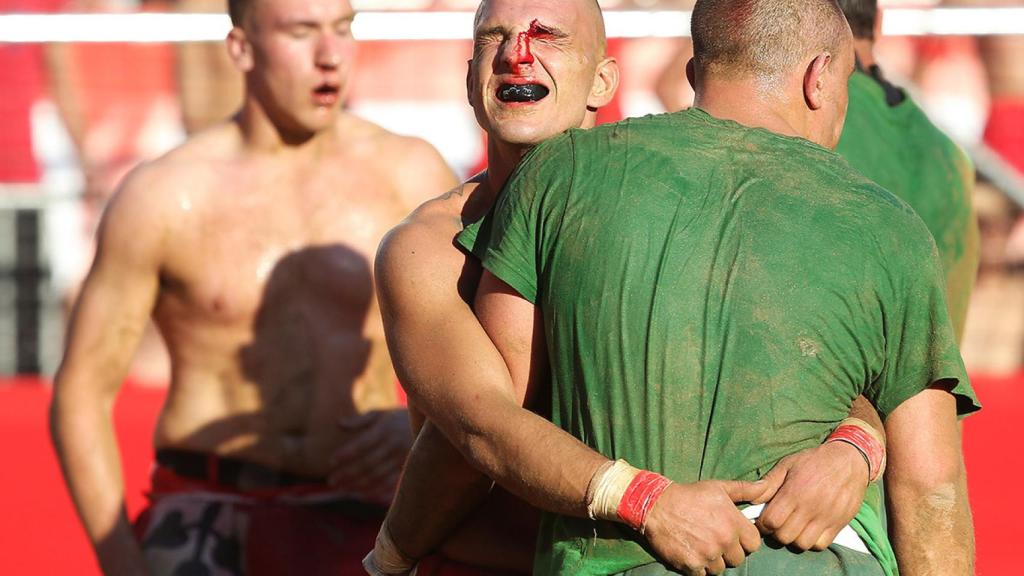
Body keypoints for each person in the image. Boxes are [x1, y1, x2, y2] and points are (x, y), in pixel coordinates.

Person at [380, 0, 982, 575]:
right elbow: (480, 422)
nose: (518, 56)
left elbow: (787, 348)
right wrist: (392, 555)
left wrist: (856, 443)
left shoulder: (649, 184)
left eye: (550, 39)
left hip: (620, 554)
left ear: (604, 83)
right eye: (495, 39)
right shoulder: (433, 244)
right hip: (537, 553)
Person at [49, 0, 458, 574]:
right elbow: (80, 395)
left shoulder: (410, 175)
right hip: (205, 510)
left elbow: (477, 351)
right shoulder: (163, 194)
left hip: (364, 514)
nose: (329, 56)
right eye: (301, 32)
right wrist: (122, 562)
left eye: (343, 30)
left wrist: (416, 426)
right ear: (240, 47)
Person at [835, 0, 980, 341]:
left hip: (844, 383)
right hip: (937, 384)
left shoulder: (806, 126)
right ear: (880, 24)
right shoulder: (949, 153)